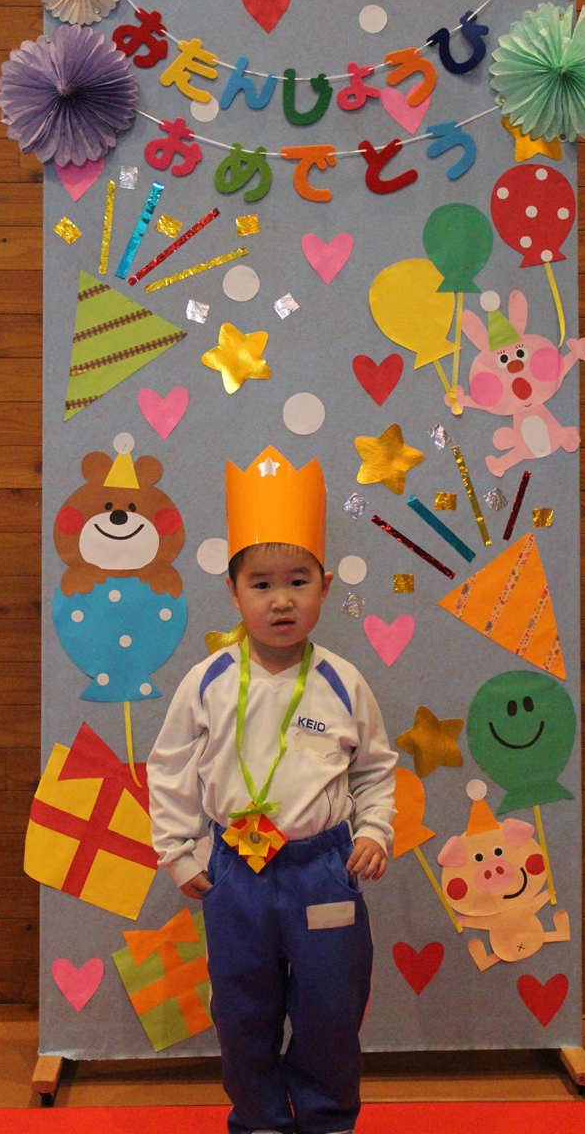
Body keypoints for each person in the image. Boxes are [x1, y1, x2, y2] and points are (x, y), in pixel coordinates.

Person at [147, 445, 397, 1134]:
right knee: (242, 1011)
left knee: (330, 1012)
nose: (281, 599)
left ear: (324, 587)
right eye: (261, 584)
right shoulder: (207, 682)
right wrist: (178, 852)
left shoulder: (344, 681)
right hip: (236, 872)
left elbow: (375, 768)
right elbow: (168, 768)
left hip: (323, 870)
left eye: (298, 581)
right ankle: (258, 1120)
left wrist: (374, 831)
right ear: (234, 592)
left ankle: (327, 1121)